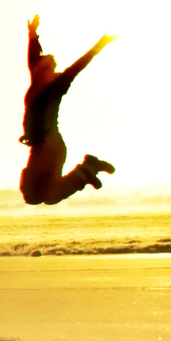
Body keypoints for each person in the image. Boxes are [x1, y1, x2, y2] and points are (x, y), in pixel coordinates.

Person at [20, 15, 115, 204]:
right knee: (39, 195)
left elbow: (80, 64)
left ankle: (87, 170)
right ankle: (87, 170)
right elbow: (33, 58)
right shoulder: (36, 80)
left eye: (49, 66)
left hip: (50, 146)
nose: (42, 67)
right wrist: (32, 34)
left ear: (51, 71)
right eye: (41, 64)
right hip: (41, 148)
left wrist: (100, 45)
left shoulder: (58, 85)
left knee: (38, 195)